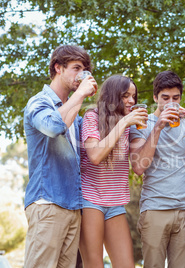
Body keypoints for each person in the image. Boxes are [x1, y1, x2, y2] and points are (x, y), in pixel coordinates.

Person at [23, 45, 97, 267]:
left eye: (84, 70)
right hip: (48, 202)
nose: (81, 75)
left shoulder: (73, 109)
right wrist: (81, 93)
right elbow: (53, 127)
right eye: (76, 68)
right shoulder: (39, 102)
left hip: (73, 206)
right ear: (58, 68)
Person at [79, 75, 148, 267]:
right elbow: (95, 156)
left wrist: (157, 126)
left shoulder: (128, 124)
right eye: (126, 96)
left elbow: (140, 163)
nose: (132, 101)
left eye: (133, 96)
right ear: (113, 95)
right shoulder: (92, 117)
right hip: (90, 199)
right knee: (94, 264)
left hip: (115, 202)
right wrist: (124, 123)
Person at [129, 70, 185, 267]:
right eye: (165, 98)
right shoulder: (141, 123)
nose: (170, 103)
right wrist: (158, 127)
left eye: (176, 98)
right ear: (155, 97)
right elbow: (139, 167)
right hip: (155, 209)